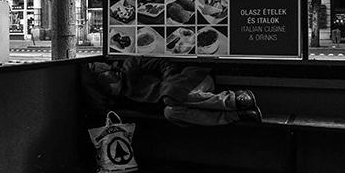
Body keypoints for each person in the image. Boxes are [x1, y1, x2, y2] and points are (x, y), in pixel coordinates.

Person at [83, 57, 262, 126]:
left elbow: (165, 63)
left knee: (172, 99)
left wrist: (169, 87)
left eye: (113, 85)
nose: (114, 90)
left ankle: (235, 99)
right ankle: (238, 115)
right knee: (171, 112)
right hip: (178, 101)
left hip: (193, 80)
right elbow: (97, 100)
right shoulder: (119, 98)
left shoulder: (131, 66)